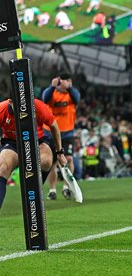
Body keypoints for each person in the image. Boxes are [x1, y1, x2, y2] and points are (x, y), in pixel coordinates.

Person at [0, 96, 67, 209]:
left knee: (46, 161)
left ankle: (34, 194)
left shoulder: (38, 106)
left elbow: (54, 126)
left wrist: (60, 152)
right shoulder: (2, 109)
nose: (23, 109)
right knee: (2, 168)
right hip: (13, 143)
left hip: (37, 141)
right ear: (10, 101)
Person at [41, 72, 81, 200]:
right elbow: (44, 98)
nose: (63, 83)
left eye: (66, 81)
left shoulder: (72, 94)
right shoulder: (52, 93)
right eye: (62, 81)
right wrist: (52, 86)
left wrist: (69, 87)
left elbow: (77, 98)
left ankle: (66, 187)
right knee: (51, 162)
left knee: (68, 159)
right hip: (50, 132)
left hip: (67, 132)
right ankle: (52, 190)